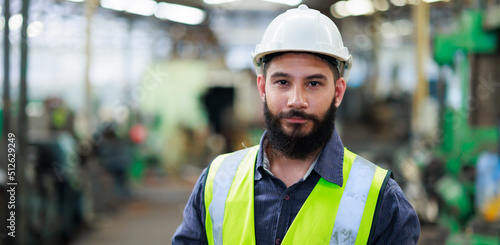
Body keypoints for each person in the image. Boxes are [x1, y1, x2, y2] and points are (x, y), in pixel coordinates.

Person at [173, 4, 420, 244]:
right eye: (282, 82)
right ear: (262, 88)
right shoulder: (217, 183)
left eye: (313, 83)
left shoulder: (381, 200)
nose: (296, 100)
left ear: (338, 92)